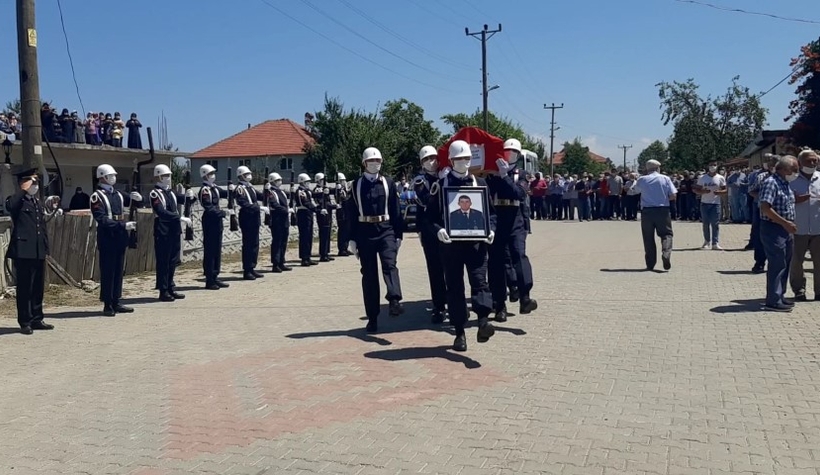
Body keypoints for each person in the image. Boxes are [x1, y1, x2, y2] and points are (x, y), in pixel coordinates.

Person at [427, 140, 496, 351]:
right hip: (451, 248)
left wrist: (491, 229)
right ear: (450, 160)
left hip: (476, 245)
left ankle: (483, 321)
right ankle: (459, 333)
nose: (463, 162)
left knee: (480, 283)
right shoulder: (440, 186)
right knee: (455, 289)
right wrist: (438, 229)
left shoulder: (481, 184)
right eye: (458, 159)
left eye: (466, 158)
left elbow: (491, 214)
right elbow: (429, 218)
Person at [345, 147, 404, 333]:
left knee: (390, 264)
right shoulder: (356, 185)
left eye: (378, 161)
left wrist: (399, 234)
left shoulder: (388, 183)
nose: (375, 164)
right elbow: (351, 213)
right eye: (371, 161)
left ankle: (394, 299)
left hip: (386, 229)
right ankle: (372, 318)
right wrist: (351, 239)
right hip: (364, 232)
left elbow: (396, 209)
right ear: (364, 164)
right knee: (369, 275)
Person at [487, 138, 537, 323]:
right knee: (496, 262)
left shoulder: (520, 174)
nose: (509, 156)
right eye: (506, 152)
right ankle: (499, 304)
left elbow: (519, 194)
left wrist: (505, 176)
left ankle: (525, 296)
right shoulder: (491, 175)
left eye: (513, 153)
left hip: (515, 217)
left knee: (519, 255)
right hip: (496, 217)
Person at [5, 168, 60, 334]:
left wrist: (45, 247)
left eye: (36, 182)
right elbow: (11, 207)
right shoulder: (17, 200)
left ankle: (37, 318)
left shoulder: (36, 202)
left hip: (37, 250)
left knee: (37, 287)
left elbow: (41, 227)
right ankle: (25, 321)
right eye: (33, 182)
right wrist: (22, 190)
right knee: (24, 288)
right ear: (24, 183)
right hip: (23, 250)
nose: (36, 185)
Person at [90, 164, 143, 315]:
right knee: (108, 271)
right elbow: (102, 219)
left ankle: (116, 300)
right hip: (108, 236)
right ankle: (107, 304)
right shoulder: (97, 197)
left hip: (120, 237)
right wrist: (122, 225)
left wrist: (137, 197)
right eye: (110, 175)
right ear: (102, 177)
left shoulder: (118, 194)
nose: (113, 177)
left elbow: (133, 201)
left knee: (119, 270)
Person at [758, 155, 799, 312]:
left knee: (785, 262)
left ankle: (780, 295)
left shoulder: (785, 183)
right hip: (773, 228)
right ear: (783, 169)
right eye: (794, 170)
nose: (796, 173)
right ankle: (773, 300)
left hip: (785, 229)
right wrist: (784, 223)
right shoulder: (771, 183)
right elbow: (765, 207)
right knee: (777, 263)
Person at [413, 145, 448, 324]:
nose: (431, 161)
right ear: (422, 163)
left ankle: (454, 301)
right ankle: (439, 306)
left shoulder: (447, 175)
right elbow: (425, 201)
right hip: (429, 230)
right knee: (435, 269)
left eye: (433, 157)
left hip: (448, 228)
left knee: (451, 268)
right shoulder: (420, 181)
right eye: (427, 159)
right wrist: (439, 183)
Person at [149, 164, 193, 301]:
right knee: (164, 261)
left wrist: (190, 196)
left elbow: (184, 200)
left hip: (174, 230)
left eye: (169, 175)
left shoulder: (171, 192)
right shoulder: (155, 193)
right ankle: (163, 290)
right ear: (159, 177)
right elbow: (161, 211)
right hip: (163, 229)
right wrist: (179, 217)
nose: (168, 178)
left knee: (173, 261)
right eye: (166, 176)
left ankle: (170, 286)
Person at [631, 160, 677, 271]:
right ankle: (666, 253)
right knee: (666, 234)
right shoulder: (665, 178)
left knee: (648, 237)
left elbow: (635, 191)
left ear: (647, 168)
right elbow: (673, 195)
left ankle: (650, 264)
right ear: (658, 168)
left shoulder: (642, 179)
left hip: (647, 211)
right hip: (662, 210)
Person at [789, 149, 820, 301]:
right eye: (809, 161)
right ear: (800, 162)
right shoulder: (792, 180)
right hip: (797, 228)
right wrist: (796, 200)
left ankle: (819, 292)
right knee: (796, 262)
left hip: (818, 228)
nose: (813, 163)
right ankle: (799, 290)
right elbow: (782, 201)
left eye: (815, 160)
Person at [198, 164, 233, 289]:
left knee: (217, 250)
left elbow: (225, 193)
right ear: (205, 175)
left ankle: (215, 275)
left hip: (217, 221)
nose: (213, 175)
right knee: (210, 250)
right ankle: (209, 279)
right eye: (211, 173)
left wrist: (231, 189)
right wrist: (223, 213)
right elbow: (209, 208)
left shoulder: (214, 188)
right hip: (210, 220)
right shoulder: (205, 190)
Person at [235, 165, 269, 280]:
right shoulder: (240, 189)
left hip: (254, 218)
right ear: (241, 176)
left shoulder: (250, 187)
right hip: (246, 217)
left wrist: (267, 190)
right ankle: (247, 270)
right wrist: (258, 208)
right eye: (246, 174)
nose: (249, 176)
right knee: (248, 244)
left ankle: (252, 267)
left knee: (255, 244)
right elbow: (243, 203)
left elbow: (261, 197)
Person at [694, 162, 727, 250]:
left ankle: (715, 243)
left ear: (717, 167)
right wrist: (703, 192)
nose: (713, 167)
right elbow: (696, 189)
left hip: (716, 203)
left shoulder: (720, 178)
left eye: (714, 165)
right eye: (711, 165)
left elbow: (725, 190)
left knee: (715, 224)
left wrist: (719, 192)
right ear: (708, 166)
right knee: (705, 223)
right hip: (705, 203)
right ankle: (706, 241)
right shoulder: (702, 178)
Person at [265, 172, 293, 273]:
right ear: (272, 181)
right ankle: (275, 264)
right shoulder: (271, 192)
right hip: (276, 219)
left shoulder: (281, 191)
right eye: (277, 180)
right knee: (277, 242)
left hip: (284, 219)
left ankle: (282, 261)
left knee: (284, 241)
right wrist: (286, 210)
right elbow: (274, 204)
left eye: (280, 180)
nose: (279, 182)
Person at [294, 173, 318, 266]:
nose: (308, 183)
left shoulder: (307, 191)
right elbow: (305, 202)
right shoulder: (300, 192)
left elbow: (315, 195)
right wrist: (316, 209)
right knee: (304, 236)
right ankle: (304, 258)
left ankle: (308, 256)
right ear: (302, 182)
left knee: (309, 236)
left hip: (308, 214)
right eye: (307, 182)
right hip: (303, 214)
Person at [313, 172, 336, 262]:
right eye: (322, 180)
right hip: (322, 213)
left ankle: (326, 252)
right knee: (323, 235)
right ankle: (323, 254)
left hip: (328, 213)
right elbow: (320, 201)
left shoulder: (324, 189)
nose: (323, 182)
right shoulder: (317, 190)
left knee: (327, 234)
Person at [335, 172, 352, 256]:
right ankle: (341, 249)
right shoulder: (337, 190)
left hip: (346, 211)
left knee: (347, 230)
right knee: (342, 230)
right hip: (341, 211)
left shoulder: (343, 189)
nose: (344, 182)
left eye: (344, 180)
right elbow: (342, 199)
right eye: (342, 180)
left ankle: (345, 247)